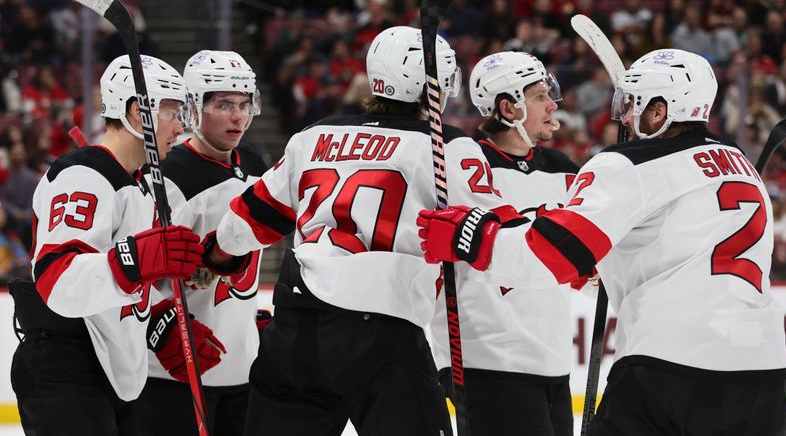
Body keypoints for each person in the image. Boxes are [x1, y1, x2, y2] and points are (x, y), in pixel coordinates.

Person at [418, 49, 786, 436]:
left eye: (634, 105)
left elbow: (546, 256)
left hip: (670, 370)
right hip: (765, 377)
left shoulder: (629, 164)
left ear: (660, 110)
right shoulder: (740, 164)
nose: (625, 117)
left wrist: (470, 237)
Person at [205, 26, 507, 435]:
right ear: (434, 84)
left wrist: (216, 256)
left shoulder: (314, 135)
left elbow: (242, 224)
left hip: (295, 330)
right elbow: (502, 234)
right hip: (384, 334)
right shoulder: (444, 147)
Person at [9, 55, 211, 435]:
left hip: (110, 368)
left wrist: (158, 325)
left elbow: (121, 288)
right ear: (138, 112)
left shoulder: (142, 186)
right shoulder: (82, 174)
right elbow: (58, 280)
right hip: (64, 364)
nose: (181, 127)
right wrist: (135, 261)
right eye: (171, 112)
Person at [429, 51, 579, 435]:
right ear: (509, 107)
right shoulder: (462, 162)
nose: (553, 104)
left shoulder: (562, 166)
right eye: (540, 96)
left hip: (553, 359)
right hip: (489, 359)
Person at [138, 50, 268, 436]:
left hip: (243, 371)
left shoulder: (257, 166)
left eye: (245, 104)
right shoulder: (169, 176)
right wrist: (159, 323)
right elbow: (135, 271)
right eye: (224, 104)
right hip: (174, 376)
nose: (238, 116)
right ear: (193, 108)